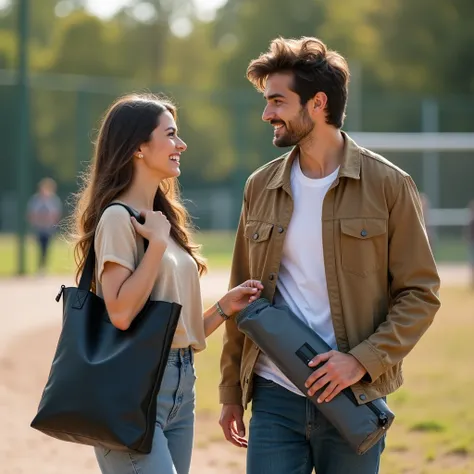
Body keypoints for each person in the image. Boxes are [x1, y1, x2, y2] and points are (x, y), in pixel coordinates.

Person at [218, 37, 441, 474]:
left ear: (318, 103)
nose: (267, 114)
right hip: (273, 395)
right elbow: (242, 295)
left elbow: (420, 293)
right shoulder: (259, 188)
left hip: (353, 396)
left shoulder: (389, 185)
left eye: (277, 101)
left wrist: (361, 361)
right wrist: (230, 390)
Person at [71, 93, 263, 474]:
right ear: (139, 147)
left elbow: (174, 332)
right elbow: (122, 313)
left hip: (180, 387)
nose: (181, 144)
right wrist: (156, 244)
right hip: (131, 391)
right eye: (171, 134)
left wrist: (224, 308)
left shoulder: (163, 222)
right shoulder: (118, 220)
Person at [27, 177, 62, 273]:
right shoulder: (35, 200)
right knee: (40, 247)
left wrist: (54, 226)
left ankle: (43, 266)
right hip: (39, 228)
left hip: (48, 229)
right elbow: (32, 214)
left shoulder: (53, 200)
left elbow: (56, 215)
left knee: (46, 247)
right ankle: (40, 266)